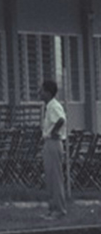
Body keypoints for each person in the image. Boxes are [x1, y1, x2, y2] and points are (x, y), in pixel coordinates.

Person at [39, 79, 68, 219]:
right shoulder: (48, 107)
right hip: (48, 142)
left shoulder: (54, 106)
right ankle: (52, 208)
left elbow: (61, 119)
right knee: (50, 177)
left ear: (48, 92)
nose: (40, 93)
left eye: (42, 90)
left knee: (55, 177)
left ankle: (59, 209)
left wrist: (53, 132)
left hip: (53, 142)